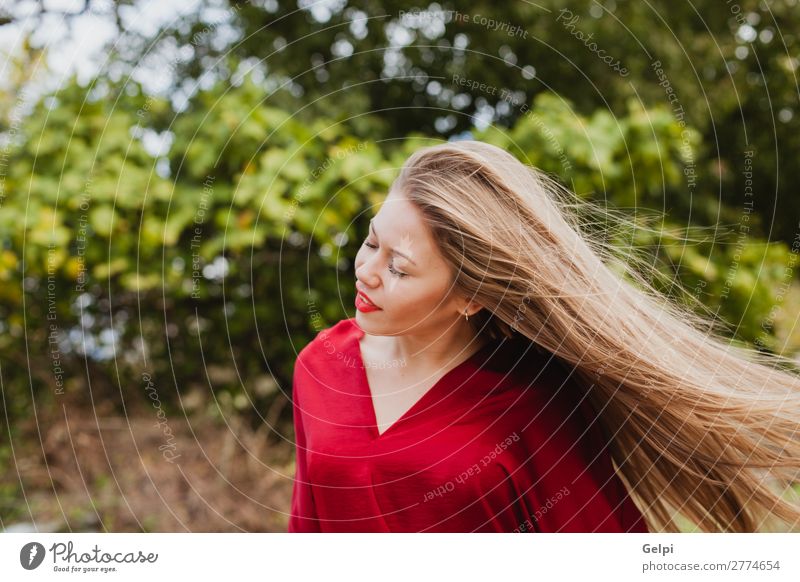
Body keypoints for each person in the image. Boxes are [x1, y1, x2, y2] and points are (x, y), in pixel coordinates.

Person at [288, 139, 800, 533]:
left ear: (472, 296)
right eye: (371, 241)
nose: (366, 271)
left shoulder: (530, 404)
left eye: (398, 267)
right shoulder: (321, 367)